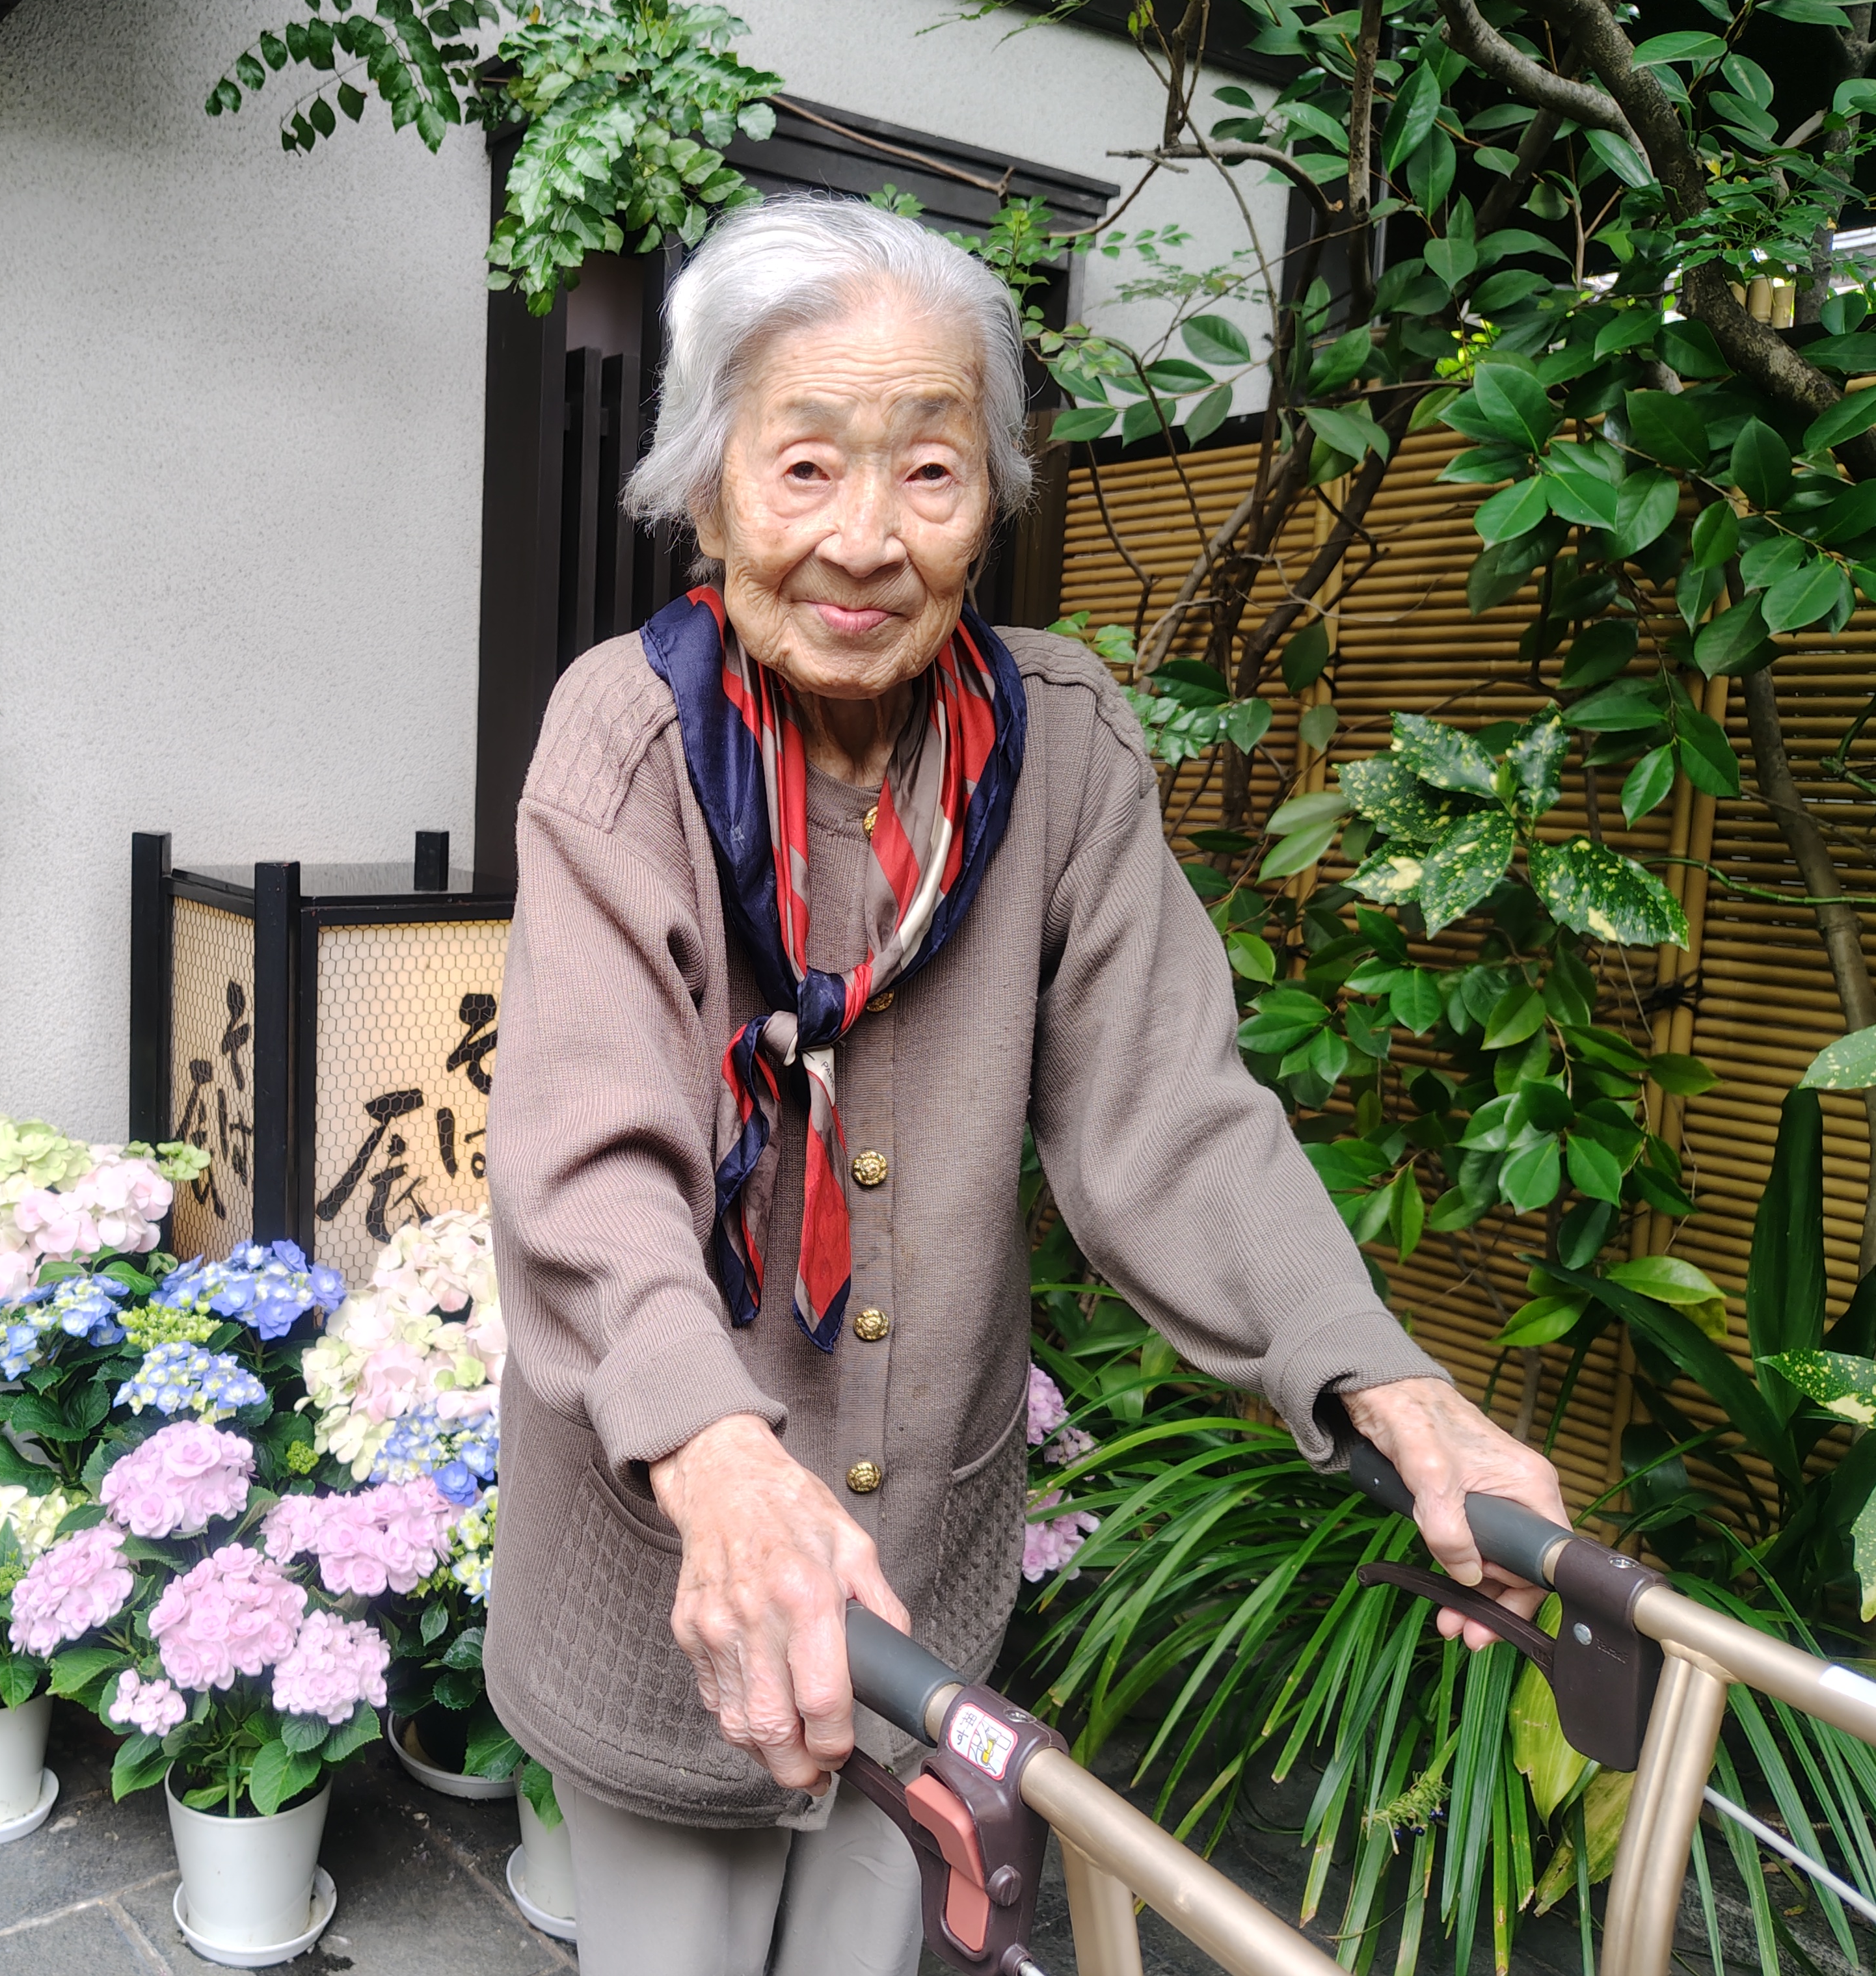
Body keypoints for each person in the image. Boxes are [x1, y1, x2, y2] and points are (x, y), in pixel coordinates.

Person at [482, 194, 1568, 1976]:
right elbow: (588, 1160)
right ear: (709, 493)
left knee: (870, 1945)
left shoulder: (1060, 741)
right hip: (677, 1555)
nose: (864, 540)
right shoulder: (630, 735)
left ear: (991, 501)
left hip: (925, 1550)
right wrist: (722, 1465)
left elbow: (1170, 1111)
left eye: (929, 470)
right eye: (806, 466)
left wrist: (1384, 1379)